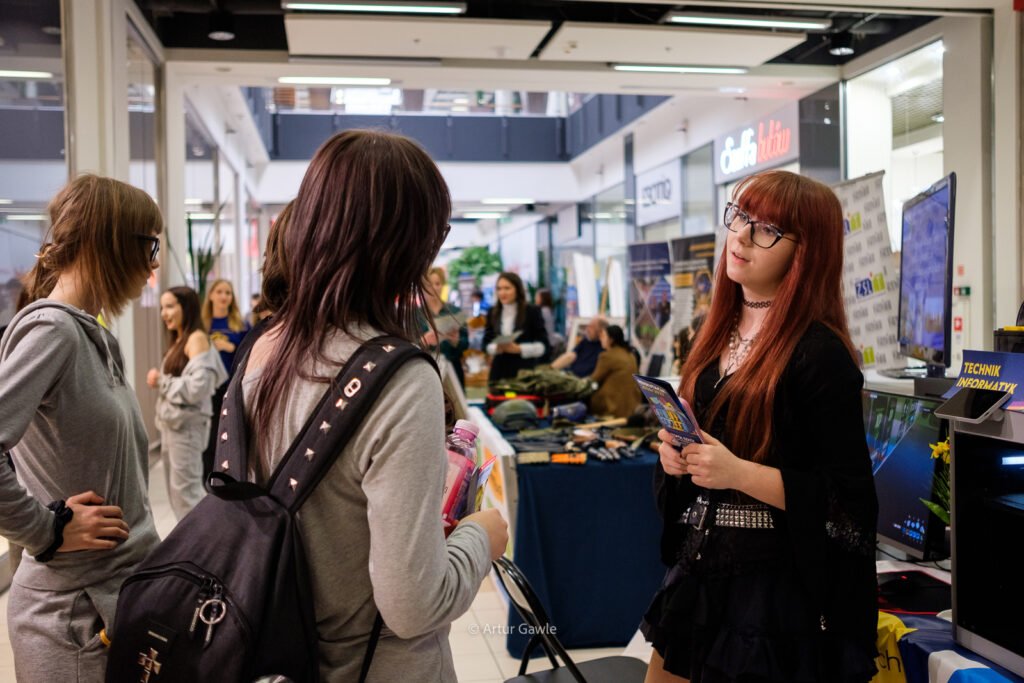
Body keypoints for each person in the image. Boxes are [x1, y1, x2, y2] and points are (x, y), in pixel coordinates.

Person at [239, 130, 508, 681]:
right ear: (406, 242)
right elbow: (413, 604)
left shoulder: (261, 352)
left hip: (279, 659)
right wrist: (481, 537)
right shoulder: (398, 377)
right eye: (436, 233)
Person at [641, 170, 878, 683]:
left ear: (805, 251)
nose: (742, 236)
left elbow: (848, 505)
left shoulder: (820, 355)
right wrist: (677, 458)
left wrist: (737, 473)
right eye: (741, 217)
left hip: (775, 596)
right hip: (700, 571)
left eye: (767, 229)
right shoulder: (713, 334)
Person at [0, 174, 162, 681]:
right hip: (73, 618)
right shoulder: (52, 331)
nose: (154, 264)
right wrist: (44, 529)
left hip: (113, 602)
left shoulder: (93, 335)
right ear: (111, 244)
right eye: (150, 246)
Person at [147, 286, 227, 521]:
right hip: (173, 427)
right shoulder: (180, 339)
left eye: (170, 306)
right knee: (179, 495)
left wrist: (162, 381)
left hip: (187, 429)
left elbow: (197, 388)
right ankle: (195, 539)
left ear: (186, 308)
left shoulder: (197, 339)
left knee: (187, 495)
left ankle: (205, 539)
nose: (164, 313)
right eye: (162, 307)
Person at [200, 278, 250, 480]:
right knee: (209, 435)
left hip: (231, 387)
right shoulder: (202, 324)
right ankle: (207, 477)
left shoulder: (240, 325)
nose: (223, 296)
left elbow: (249, 354)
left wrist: (232, 348)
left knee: (230, 431)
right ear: (211, 295)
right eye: (219, 292)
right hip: (208, 388)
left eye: (228, 292)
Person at [483, 272, 550, 385]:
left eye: (507, 288)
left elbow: (544, 346)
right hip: (499, 372)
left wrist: (519, 349)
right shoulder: (492, 312)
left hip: (524, 373)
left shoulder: (532, 311)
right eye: (499, 289)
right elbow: (485, 344)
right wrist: (496, 348)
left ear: (517, 290)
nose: (502, 293)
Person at [420, 266, 469, 388]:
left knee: (454, 399)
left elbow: (466, 343)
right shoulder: (414, 315)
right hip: (426, 370)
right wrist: (423, 341)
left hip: (453, 368)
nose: (433, 288)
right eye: (429, 285)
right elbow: (406, 345)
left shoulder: (455, 312)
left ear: (443, 286)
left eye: (437, 283)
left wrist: (456, 340)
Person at [587, 324, 642, 418]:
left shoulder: (607, 356)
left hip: (613, 406)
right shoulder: (630, 354)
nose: (600, 339)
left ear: (611, 339)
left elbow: (594, 379)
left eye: (603, 336)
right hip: (632, 405)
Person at [534, 288, 564, 352]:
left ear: (543, 298)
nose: (535, 299)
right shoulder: (548, 310)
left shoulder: (542, 311)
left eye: (537, 297)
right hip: (550, 342)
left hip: (547, 344)